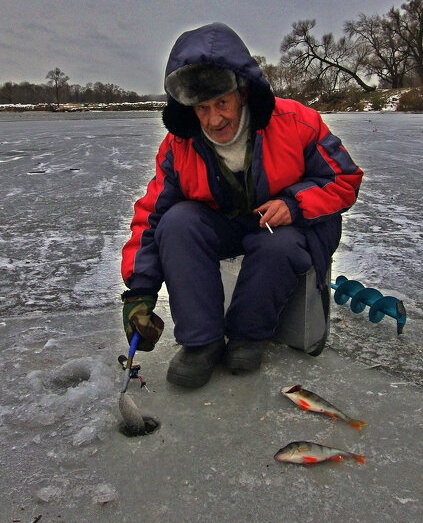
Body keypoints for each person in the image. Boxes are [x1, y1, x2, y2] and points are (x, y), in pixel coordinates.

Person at [121, 22, 363, 388]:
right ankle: (201, 342)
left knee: (276, 243)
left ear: (243, 93)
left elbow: (344, 179)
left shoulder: (297, 122)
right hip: (225, 224)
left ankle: (249, 336)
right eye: (202, 107)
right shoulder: (178, 146)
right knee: (177, 222)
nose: (214, 119)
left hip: (284, 230)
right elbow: (152, 214)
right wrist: (140, 291)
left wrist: (294, 204)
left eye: (222, 102)